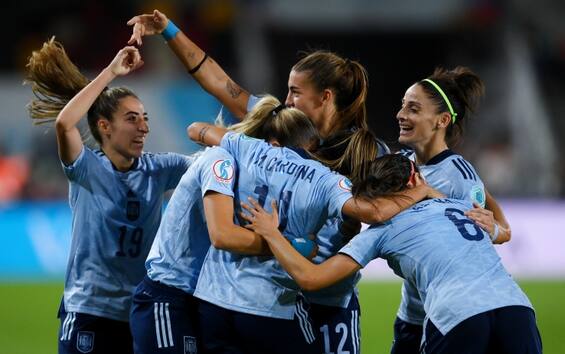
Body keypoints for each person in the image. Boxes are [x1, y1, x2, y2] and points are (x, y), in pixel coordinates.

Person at [127, 11, 388, 352]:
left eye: (295, 92)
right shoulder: (280, 125)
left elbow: (381, 207)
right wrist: (169, 29)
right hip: (278, 294)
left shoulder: (364, 151)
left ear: (324, 97)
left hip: (328, 296)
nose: (288, 100)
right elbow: (220, 83)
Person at [186, 96, 441, 353]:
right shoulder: (325, 180)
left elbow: (196, 129)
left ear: (274, 139)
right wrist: (420, 191)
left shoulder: (248, 148)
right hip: (268, 305)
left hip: (213, 302)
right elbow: (375, 213)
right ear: (314, 145)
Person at [242, 154, 542, 354]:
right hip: (516, 309)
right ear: (414, 180)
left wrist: (270, 232)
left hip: (458, 315)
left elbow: (311, 278)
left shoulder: (381, 230)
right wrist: (495, 218)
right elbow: (501, 228)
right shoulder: (459, 206)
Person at [25, 38, 192, 354]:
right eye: (132, 119)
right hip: (89, 311)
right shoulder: (87, 169)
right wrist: (111, 72)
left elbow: (208, 167)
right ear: (104, 126)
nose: (143, 127)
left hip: (138, 311)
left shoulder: (160, 169)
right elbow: (64, 123)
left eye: (145, 118)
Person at [393, 66, 512, 353]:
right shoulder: (400, 163)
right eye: (402, 106)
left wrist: (501, 230)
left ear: (442, 120)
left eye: (413, 109)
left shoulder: (458, 174)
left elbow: (480, 228)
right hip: (414, 309)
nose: (400, 114)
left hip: (448, 312)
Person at [130, 145, 274, 354]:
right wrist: (280, 245)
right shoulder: (220, 160)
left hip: (201, 300)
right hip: (168, 295)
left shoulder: (246, 171)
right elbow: (222, 236)